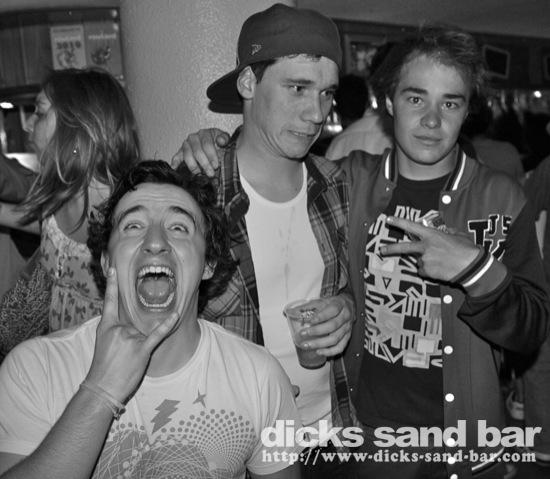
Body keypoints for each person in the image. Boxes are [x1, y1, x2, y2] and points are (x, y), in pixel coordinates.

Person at [178, 26, 549, 479]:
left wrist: (476, 269)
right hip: (369, 446)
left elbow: (533, 330)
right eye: (416, 98)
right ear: (388, 102)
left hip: (467, 450)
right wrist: (210, 142)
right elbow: (269, 161)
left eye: (450, 103)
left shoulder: (502, 198)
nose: (432, 120)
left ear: (468, 110)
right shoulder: (349, 182)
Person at [0, 160, 302, 479]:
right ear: (106, 261)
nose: (155, 242)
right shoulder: (35, 369)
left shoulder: (262, 379)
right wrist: (100, 391)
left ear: (208, 264)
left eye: (178, 227)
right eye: (133, 226)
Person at [173, 4, 354, 477]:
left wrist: (347, 306)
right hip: (234, 448)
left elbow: (357, 286)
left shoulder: (337, 185)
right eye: (298, 88)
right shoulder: (195, 194)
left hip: (332, 435)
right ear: (248, 83)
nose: (317, 114)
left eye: (327, 93)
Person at [0, 68, 140, 333]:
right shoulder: (57, 198)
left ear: (78, 126)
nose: (27, 125)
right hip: (59, 353)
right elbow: (35, 223)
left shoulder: (125, 215)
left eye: (40, 112)